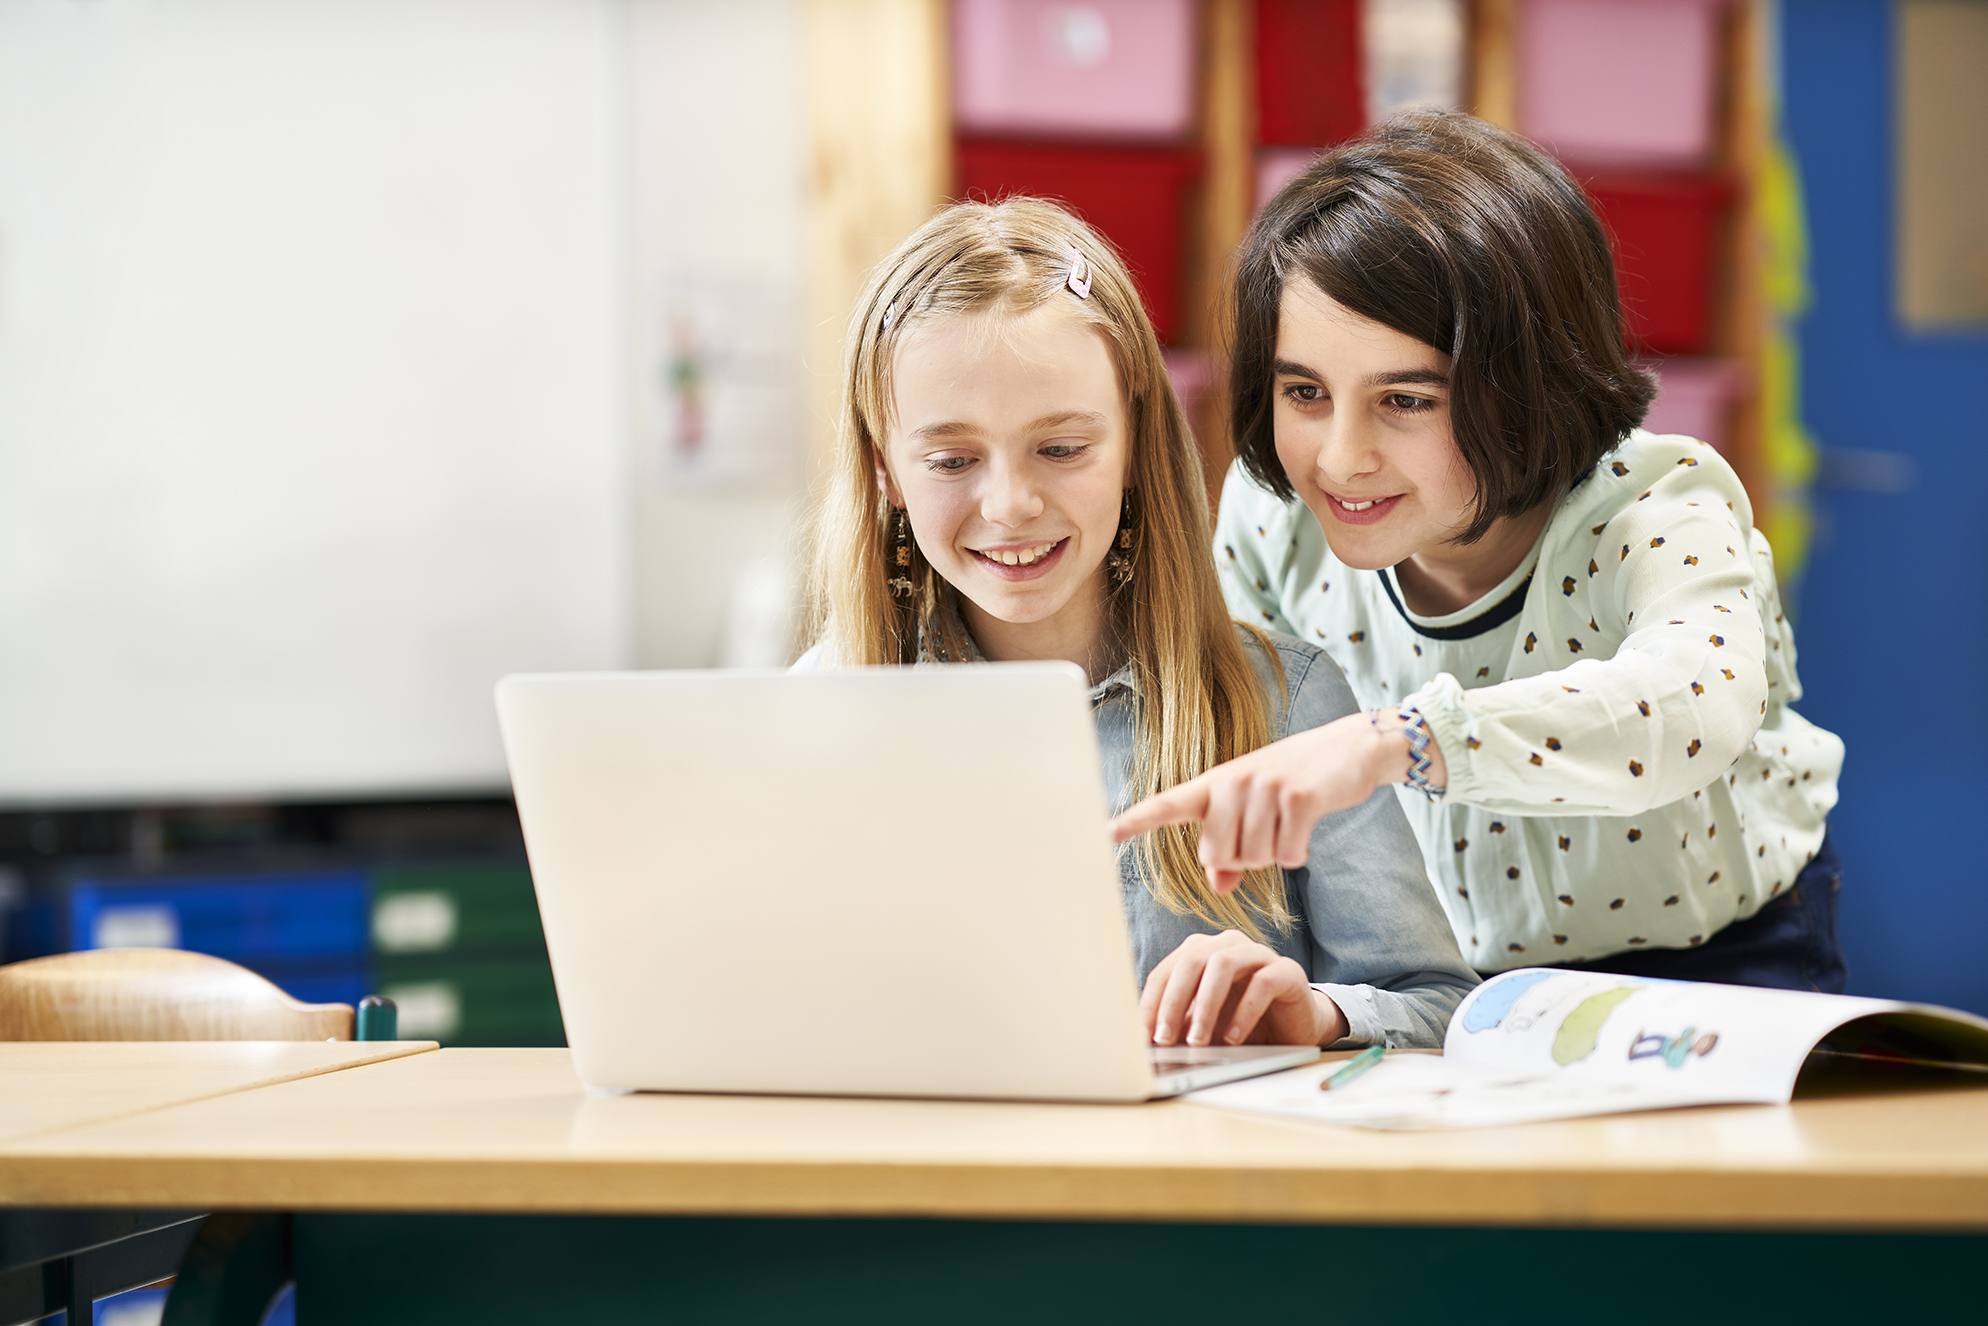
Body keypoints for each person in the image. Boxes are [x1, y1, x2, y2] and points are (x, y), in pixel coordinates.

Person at [1110, 110, 1846, 992]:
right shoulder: (1273, 518)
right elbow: (1253, 756)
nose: (1341, 456)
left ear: (1528, 382)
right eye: (1304, 391)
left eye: (1407, 400)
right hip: (1455, 981)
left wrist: (1394, 742)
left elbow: (1691, 709)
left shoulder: (1655, 503)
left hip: (1722, 957)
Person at [800, 196, 1478, 1050]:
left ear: (1133, 447)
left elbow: (1441, 1006)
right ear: (886, 472)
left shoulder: (1288, 704)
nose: (1011, 504)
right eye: (951, 460)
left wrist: (1316, 1012)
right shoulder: (814, 711)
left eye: (1062, 449)